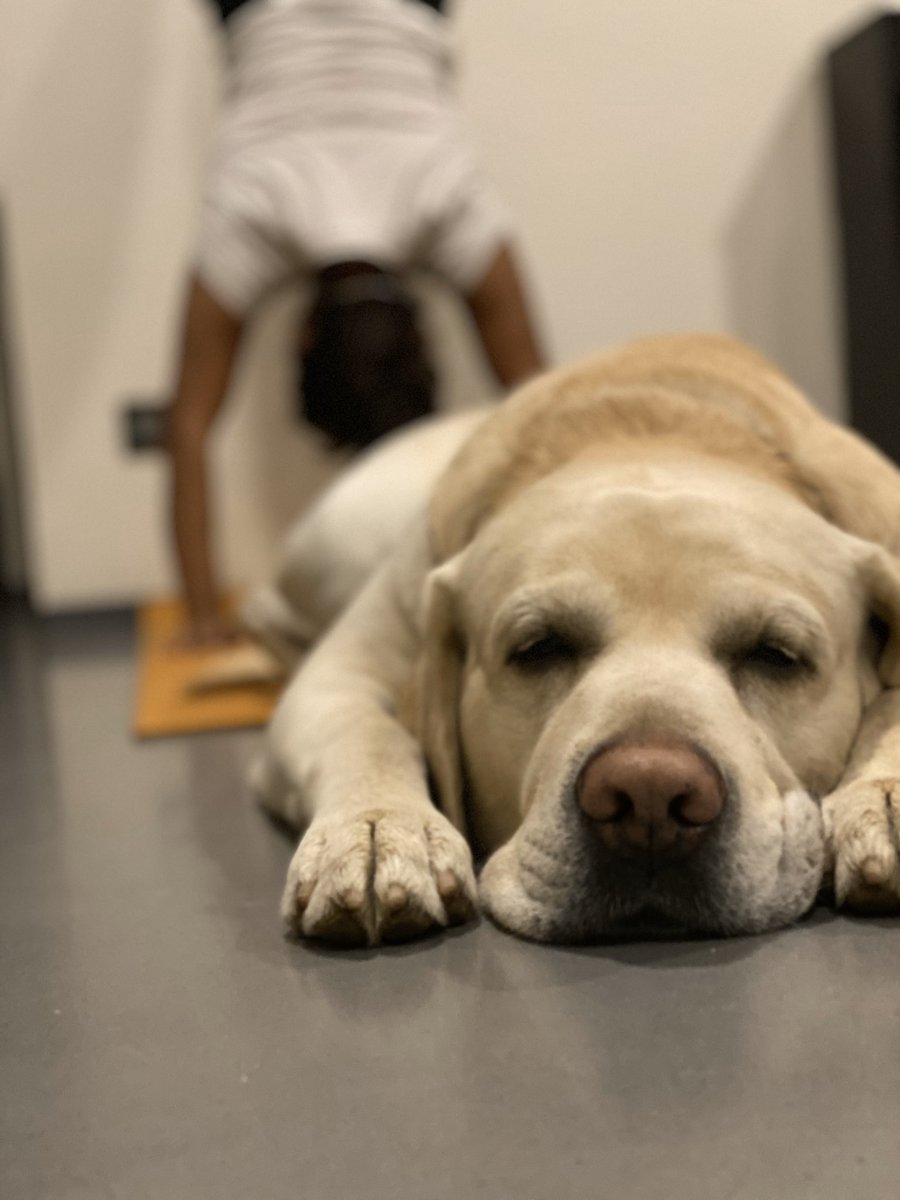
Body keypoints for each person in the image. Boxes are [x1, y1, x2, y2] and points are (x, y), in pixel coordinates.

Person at [168, 0, 545, 645]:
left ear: (421, 332)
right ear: (302, 336)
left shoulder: (451, 205)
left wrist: (207, 621)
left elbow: (546, 404)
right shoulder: (247, 219)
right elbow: (187, 427)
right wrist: (200, 617)